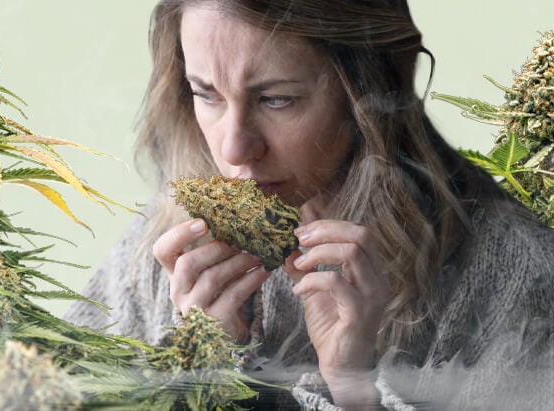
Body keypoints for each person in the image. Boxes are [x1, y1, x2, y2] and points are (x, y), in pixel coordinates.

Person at [64, 0, 554, 409]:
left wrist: (356, 392)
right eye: (205, 94)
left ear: (369, 90)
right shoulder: (167, 239)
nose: (233, 150)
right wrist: (200, 366)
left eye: (276, 100)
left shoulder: (520, 276)